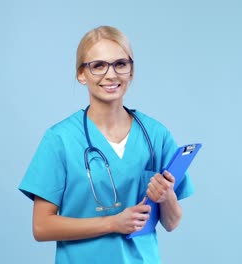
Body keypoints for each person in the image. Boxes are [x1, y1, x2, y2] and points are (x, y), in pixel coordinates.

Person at [18, 25, 194, 263]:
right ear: (82, 74)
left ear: (131, 71)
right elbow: (41, 227)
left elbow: (171, 224)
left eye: (120, 64)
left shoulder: (155, 135)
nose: (111, 75)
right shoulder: (60, 139)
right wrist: (112, 223)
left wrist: (167, 197)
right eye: (98, 66)